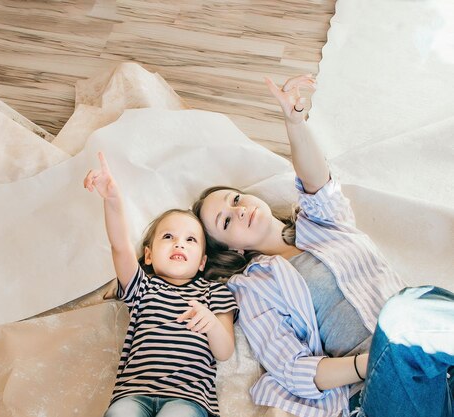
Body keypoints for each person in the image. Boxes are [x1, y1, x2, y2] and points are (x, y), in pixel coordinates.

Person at [191, 74, 454, 417]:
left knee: (415, 307)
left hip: (435, 360)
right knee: (405, 312)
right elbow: (293, 368)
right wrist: (368, 362)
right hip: (379, 386)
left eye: (236, 199)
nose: (239, 211)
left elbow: (318, 182)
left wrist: (294, 121)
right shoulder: (253, 287)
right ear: (231, 250)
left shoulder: (321, 221)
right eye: (226, 221)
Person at [84, 152, 240, 417]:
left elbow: (224, 351)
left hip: (188, 400)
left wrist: (211, 323)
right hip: (134, 394)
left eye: (190, 240)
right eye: (168, 236)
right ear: (148, 255)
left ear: (202, 262)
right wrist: (112, 199)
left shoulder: (213, 292)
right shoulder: (142, 287)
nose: (179, 243)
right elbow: (120, 246)